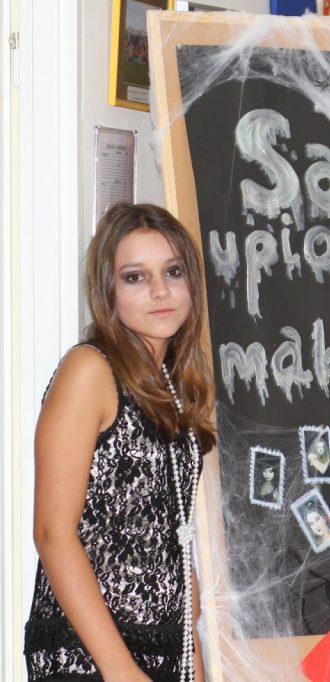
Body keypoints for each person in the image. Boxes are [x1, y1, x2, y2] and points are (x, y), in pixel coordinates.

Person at [24, 203, 215, 681]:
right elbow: (52, 532)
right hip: (89, 656)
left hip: (166, 650)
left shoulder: (173, 383)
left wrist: (193, 656)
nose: (159, 291)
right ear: (107, 291)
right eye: (135, 277)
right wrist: (119, 669)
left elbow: (173, 538)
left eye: (173, 272)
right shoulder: (90, 369)